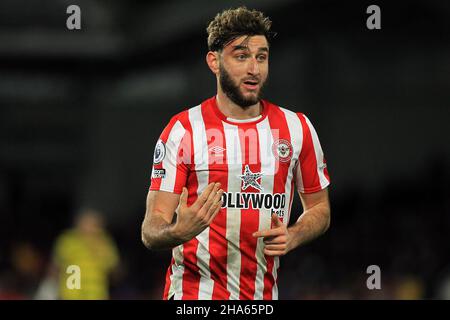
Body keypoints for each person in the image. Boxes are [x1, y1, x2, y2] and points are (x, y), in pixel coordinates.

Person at [141, 6, 331, 300]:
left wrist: (294, 234)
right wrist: (179, 231)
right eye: (241, 56)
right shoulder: (183, 130)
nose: (254, 68)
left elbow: (320, 209)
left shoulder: (297, 128)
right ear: (214, 62)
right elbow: (151, 229)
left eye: (261, 57)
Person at [48, 208, 120, 299]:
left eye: (95, 224)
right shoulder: (68, 240)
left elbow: (114, 269)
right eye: (87, 222)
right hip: (71, 293)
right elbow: (55, 266)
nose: (91, 227)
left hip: (96, 293)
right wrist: (53, 288)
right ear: (79, 223)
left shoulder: (105, 242)